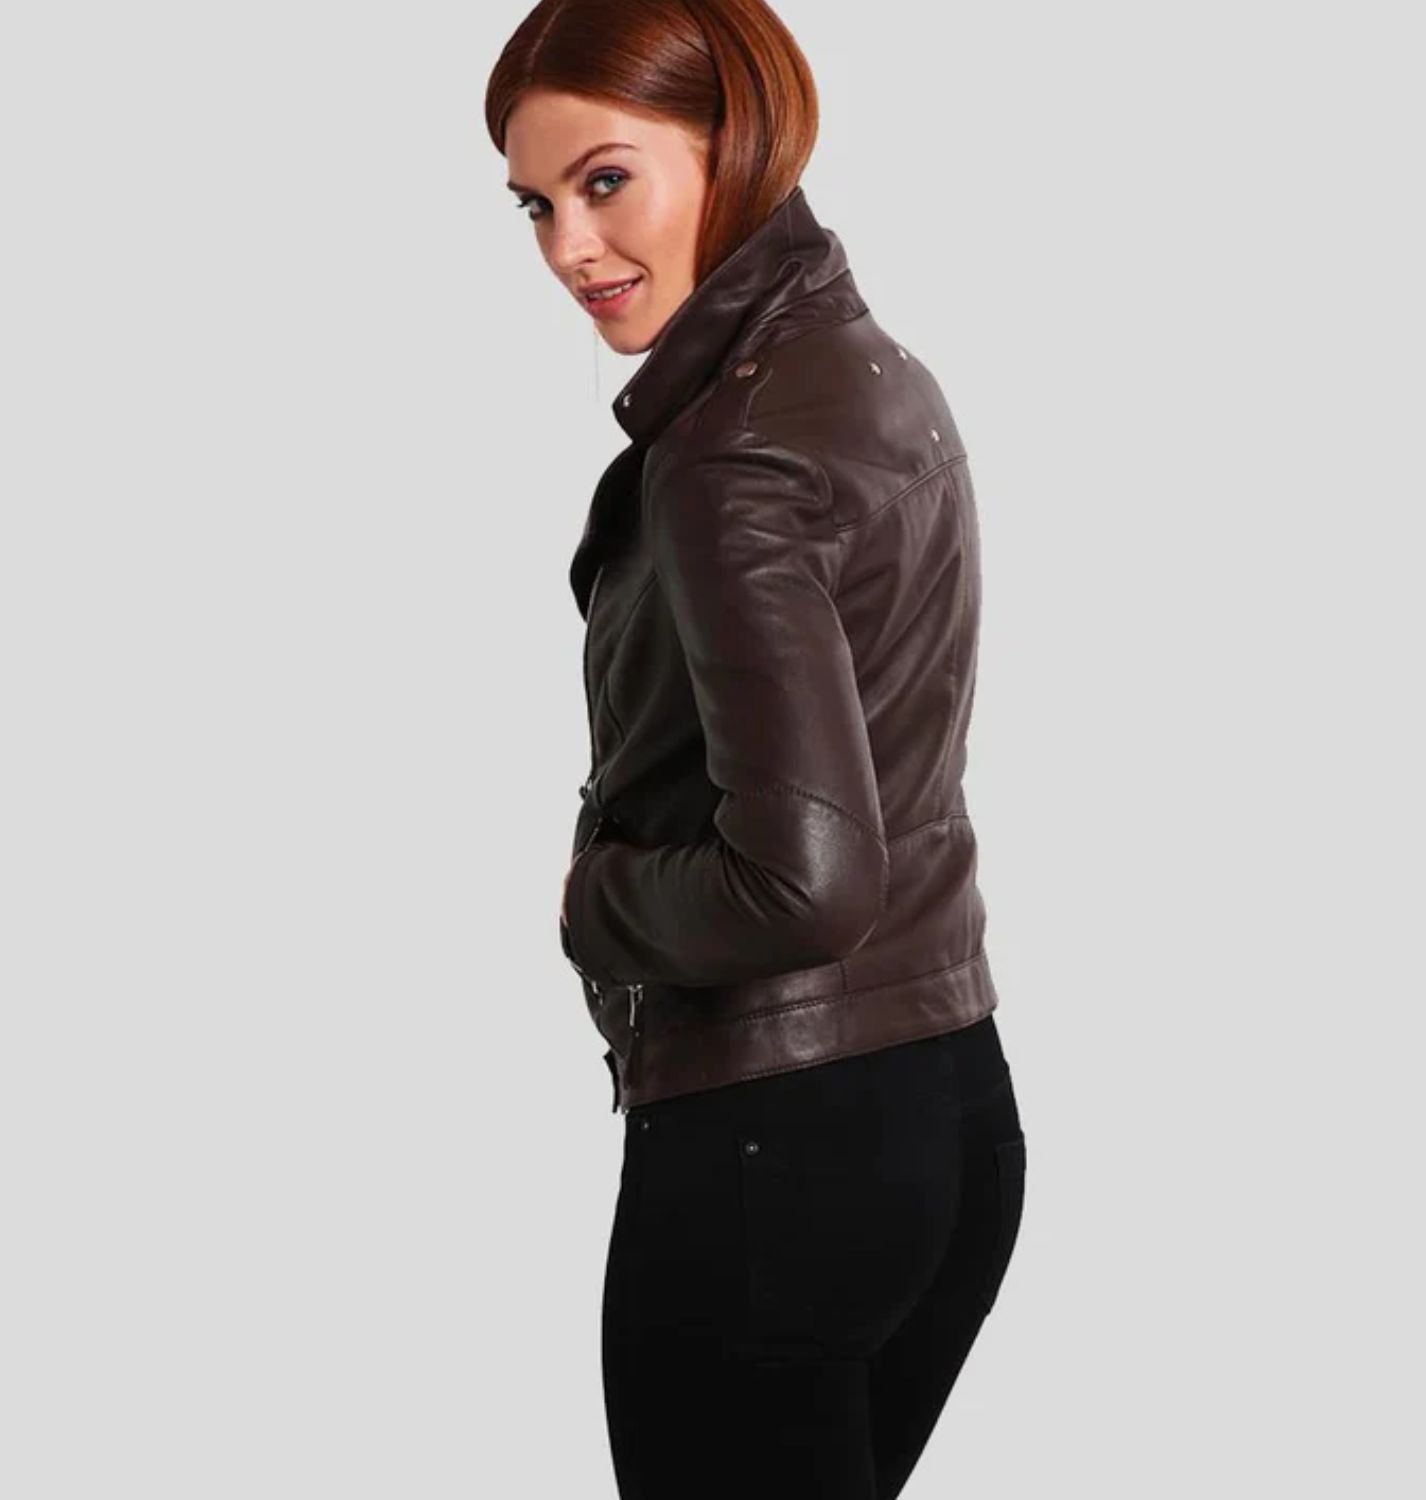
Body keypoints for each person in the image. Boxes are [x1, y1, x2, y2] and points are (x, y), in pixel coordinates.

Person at [485, 3, 1027, 1495]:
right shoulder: (868, 368)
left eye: (606, 181)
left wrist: (594, 900)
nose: (570, 248)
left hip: (775, 1157)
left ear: (737, 146)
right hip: (947, 1110)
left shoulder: (729, 452)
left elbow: (802, 884)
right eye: (535, 206)